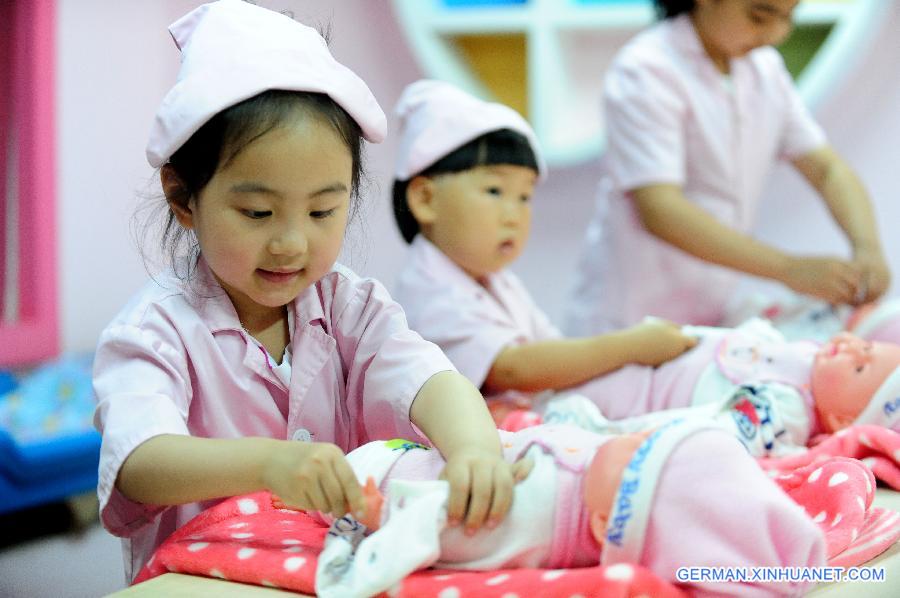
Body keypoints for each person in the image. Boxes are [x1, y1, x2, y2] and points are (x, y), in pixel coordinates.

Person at [92, 2, 521, 581]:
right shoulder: (153, 333)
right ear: (182, 196)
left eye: (323, 209)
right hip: (205, 582)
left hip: (333, 571)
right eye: (258, 211)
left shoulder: (350, 306)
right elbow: (140, 463)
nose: (291, 243)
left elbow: (430, 379)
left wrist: (474, 449)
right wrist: (270, 464)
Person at [565, 0, 891, 335]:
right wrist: (789, 269)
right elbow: (660, 208)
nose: (777, 34)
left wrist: (868, 249)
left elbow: (826, 168)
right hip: (628, 318)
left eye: (789, 17)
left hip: (709, 313)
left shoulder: (764, 70)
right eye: (760, 16)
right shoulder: (646, 69)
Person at [391, 79, 697, 425]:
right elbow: (512, 368)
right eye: (494, 190)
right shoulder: (428, 289)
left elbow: (552, 350)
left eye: (524, 197)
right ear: (425, 199)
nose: (514, 214)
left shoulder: (499, 283)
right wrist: (632, 346)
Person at [314, 421, 828, 598]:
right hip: (429, 445)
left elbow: (447, 527)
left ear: (610, 523)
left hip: (381, 477)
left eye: (639, 452)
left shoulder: (539, 520)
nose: (631, 438)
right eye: (648, 435)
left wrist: (379, 519)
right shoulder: (595, 475)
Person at [536, 319, 900, 458]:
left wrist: (611, 433)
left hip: (639, 396)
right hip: (656, 350)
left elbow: (716, 429)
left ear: (840, 420)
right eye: (865, 346)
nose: (852, 347)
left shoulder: (787, 410)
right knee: (575, 357)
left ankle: (558, 415)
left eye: (859, 366)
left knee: (562, 387)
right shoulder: (812, 356)